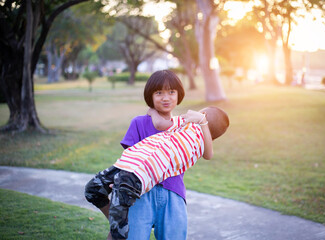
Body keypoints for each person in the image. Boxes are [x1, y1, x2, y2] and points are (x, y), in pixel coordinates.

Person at [85, 106, 229, 240]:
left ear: (203, 115)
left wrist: (200, 121)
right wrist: (201, 120)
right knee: (93, 190)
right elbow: (161, 125)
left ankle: (120, 225)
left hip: (141, 172)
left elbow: (208, 154)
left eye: (200, 111)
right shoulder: (190, 132)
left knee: (111, 213)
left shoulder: (195, 135)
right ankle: (120, 221)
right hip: (130, 163)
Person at [86, 70, 187, 240]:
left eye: (171, 92)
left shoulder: (182, 125)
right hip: (141, 194)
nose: (166, 97)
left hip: (173, 192)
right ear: (150, 96)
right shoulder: (139, 123)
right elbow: (129, 160)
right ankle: (117, 224)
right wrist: (120, 180)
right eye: (159, 92)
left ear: (178, 95)